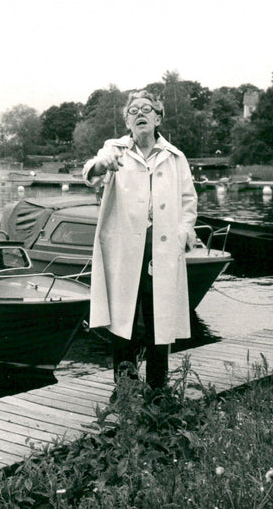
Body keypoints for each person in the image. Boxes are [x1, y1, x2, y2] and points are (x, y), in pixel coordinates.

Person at [82, 90, 198, 392]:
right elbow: (91, 174)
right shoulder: (115, 151)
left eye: (147, 109)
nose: (140, 114)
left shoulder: (175, 157)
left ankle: (158, 390)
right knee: (124, 322)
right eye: (133, 110)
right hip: (125, 251)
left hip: (160, 250)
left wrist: (182, 234)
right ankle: (125, 390)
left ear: (158, 117)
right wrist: (101, 163)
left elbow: (189, 201)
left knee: (159, 321)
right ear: (127, 121)